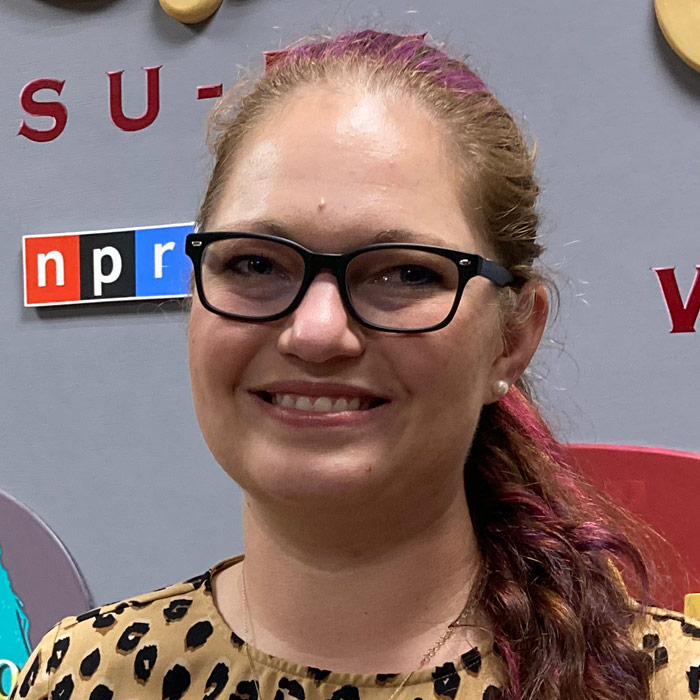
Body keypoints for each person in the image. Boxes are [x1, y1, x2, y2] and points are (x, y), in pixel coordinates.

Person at [10, 30, 700, 700]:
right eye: (254, 263)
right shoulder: (88, 674)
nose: (315, 332)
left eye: (403, 273)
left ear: (512, 338)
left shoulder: (661, 683)